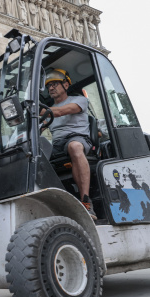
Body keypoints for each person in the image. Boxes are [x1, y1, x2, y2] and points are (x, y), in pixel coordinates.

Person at [42, 68, 97, 220]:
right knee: (35, 154)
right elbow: (40, 126)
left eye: (54, 84)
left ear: (66, 85)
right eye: (48, 86)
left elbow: (60, 112)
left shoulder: (79, 100)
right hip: (58, 145)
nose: (50, 88)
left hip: (78, 139)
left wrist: (39, 111)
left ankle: (86, 202)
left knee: (74, 146)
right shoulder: (48, 110)